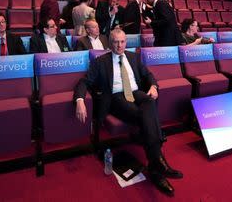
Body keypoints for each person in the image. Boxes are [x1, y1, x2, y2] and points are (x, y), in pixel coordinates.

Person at [74, 29, 183, 196]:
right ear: (110, 43)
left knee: (149, 101)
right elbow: (84, 81)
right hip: (116, 97)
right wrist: (80, 100)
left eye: (123, 41)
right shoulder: (100, 62)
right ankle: (158, 165)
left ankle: (155, 164)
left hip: (136, 92)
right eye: (116, 42)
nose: (120, 45)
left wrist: (153, 86)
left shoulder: (133, 57)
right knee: (143, 115)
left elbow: (148, 75)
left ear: (126, 42)